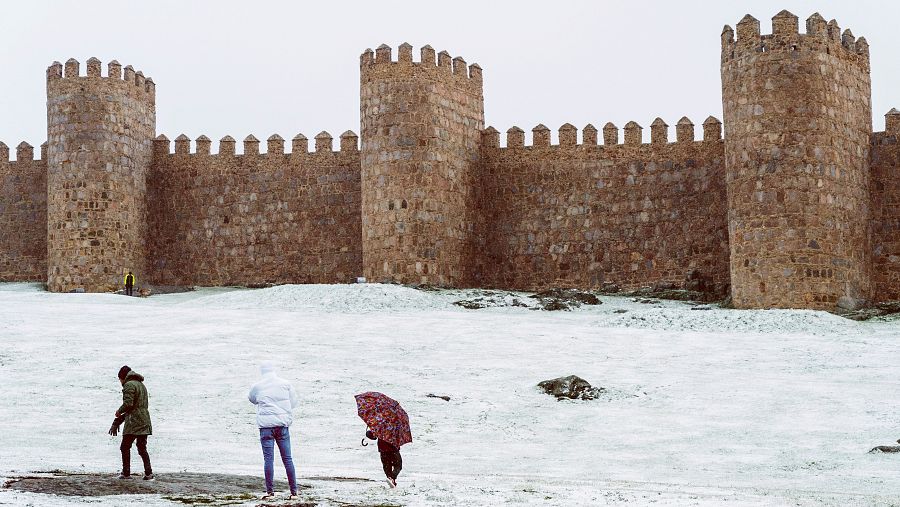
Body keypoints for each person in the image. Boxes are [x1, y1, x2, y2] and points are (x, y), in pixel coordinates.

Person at [248, 362, 299, 500]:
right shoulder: (286, 384)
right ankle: (294, 492)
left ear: (262, 371)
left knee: (268, 459)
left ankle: (270, 492)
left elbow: (252, 399)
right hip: (282, 426)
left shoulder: (257, 386)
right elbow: (294, 402)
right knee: (287, 459)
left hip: (265, 427)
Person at [108, 365, 153, 480]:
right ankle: (149, 473)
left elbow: (129, 404)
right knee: (142, 447)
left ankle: (126, 473)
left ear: (122, 377)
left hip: (134, 421)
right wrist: (118, 421)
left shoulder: (129, 385)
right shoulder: (141, 385)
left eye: (120, 380)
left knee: (125, 446)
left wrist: (119, 412)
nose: (120, 382)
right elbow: (136, 406)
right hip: (145, 420)